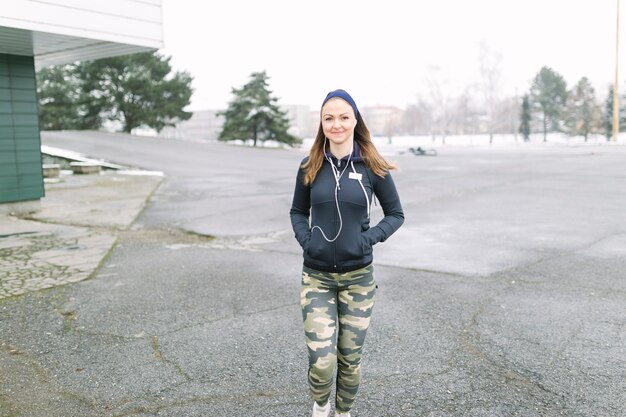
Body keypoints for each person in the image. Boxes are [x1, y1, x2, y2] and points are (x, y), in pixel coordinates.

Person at [290, 89, 404, 417]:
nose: (336, 124)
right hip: (317, 278)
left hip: (358, 279)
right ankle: (321, 403)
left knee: (350, 362)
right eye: (329, 118)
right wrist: (306, 240)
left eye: (343, 117)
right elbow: (297, 212)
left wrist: (368, 240)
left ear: (355, 120)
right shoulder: (309, 165)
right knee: (322, 362)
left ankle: (343, 412)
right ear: (321, 124)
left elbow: (396, 214)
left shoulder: (371, 166)